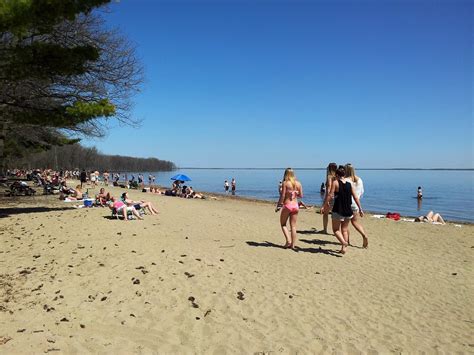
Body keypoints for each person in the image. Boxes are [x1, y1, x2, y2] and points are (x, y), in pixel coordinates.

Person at [321, 166, 363, 254]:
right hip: (348, 209)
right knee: (344, 229)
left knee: (336, 230)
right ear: (344, 174)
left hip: (338, 209)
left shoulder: (336, 182)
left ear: (336, 175)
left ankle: (344, 243)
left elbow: (330, 195)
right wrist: (360, 208)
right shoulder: (349, 183)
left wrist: (324, 205)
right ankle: (344, 248)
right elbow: (355, 197)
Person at [275, 168, 303, 249]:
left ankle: (288, 241)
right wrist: (296, 193)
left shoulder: (285, 183)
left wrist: (279, 205)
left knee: (283, 224)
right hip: (295, 206)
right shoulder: (298, 183)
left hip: (288, 205)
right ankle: (293, 245)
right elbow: (301, 195)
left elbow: (283, 195)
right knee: (293, 226)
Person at [345, 163, 368, 248]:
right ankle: (364, 235)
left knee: (345, 224)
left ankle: (347, 241)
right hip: (356, 204)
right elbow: (361, 192)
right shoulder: (360, 180)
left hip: (347, 204)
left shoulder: (346, 180)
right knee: (355, 222)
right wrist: (360, 208)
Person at [321, 162, 337, 234]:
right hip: (337, 197)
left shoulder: (329, 177)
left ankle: (325, 229)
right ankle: (336, 230)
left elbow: (329, 189)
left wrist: (326, 201)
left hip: (331, 197)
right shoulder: (338, 176)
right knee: (336, 215)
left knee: (325, 214)